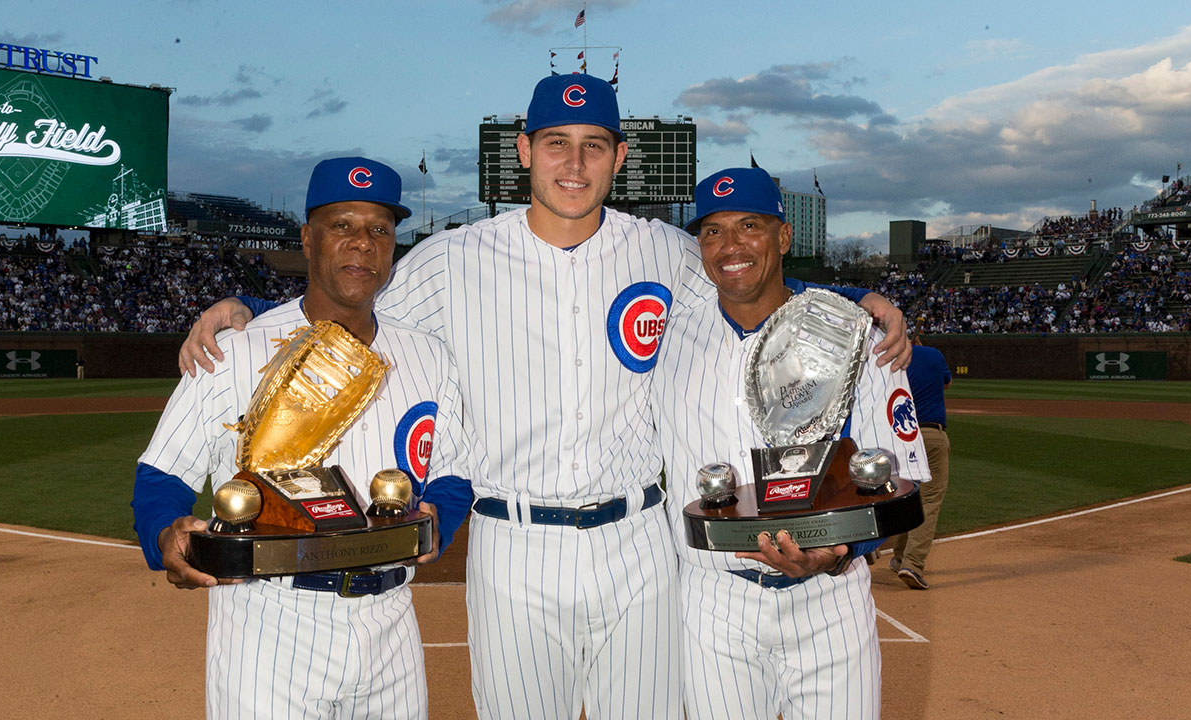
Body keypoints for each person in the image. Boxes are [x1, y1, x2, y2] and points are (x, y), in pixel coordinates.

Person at [177, 76, 911, 720]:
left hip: (639, 544)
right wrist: (243, 304)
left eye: (595, 145)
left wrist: (856, 298)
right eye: (556, 142)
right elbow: (348, 291)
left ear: (620, 159)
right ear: (524, 151)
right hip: (512, 544)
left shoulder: (664, 249)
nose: (574, 162)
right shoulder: (449, 261)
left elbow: (748, 276)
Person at [132, 157, 473, 720]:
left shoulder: (428, 355)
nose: (362, 243)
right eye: (341, 226)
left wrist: (441, 516)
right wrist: (164, 535)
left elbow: (455, 469)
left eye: (379, 229)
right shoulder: (233, 350)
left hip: (390, 620)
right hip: (268, 620)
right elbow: (162, 473)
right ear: (307, 239)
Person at [653, 167, 931, 720]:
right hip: (713, 600)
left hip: (829, 600)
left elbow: (903, 474)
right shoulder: (664, 337)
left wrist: (840, 550)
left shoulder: (857, 333)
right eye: (712, 231)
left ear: (783, 237)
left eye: (749, 226)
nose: (730, 246)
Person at [888, 336, 952, 590]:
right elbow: (947, 384)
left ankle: (897, 555)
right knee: (930, 499)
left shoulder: (890, 361)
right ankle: (913, 564)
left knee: (905, 498)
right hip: (931, 434)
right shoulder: (934, 355)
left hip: (901, 439)